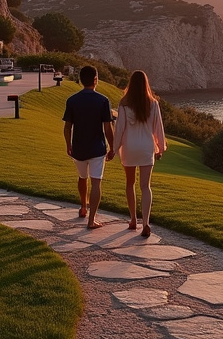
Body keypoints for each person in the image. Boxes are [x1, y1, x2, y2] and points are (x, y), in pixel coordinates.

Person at [114, 70, 167, 237]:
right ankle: (146, 222)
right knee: (145, 186)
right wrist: (160, 147)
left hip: (129, 147)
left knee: (130, 184)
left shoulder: (124, 104)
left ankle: (133, 220)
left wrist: (114, 149)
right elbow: (158, 129)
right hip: (146, 147)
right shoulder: (153, 104)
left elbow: (119, 129)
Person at [63, 65, 115, 229]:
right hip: (97, 148)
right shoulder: (103, 101)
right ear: (95, 80)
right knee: (96, 182)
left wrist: (68, 145)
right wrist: (112, 147)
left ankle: (83, 207)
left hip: (78, 148)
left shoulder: (72, 100)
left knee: (82, 177)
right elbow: (107, 128)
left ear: (80, 80)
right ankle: (91, 220)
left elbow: (67, 127)